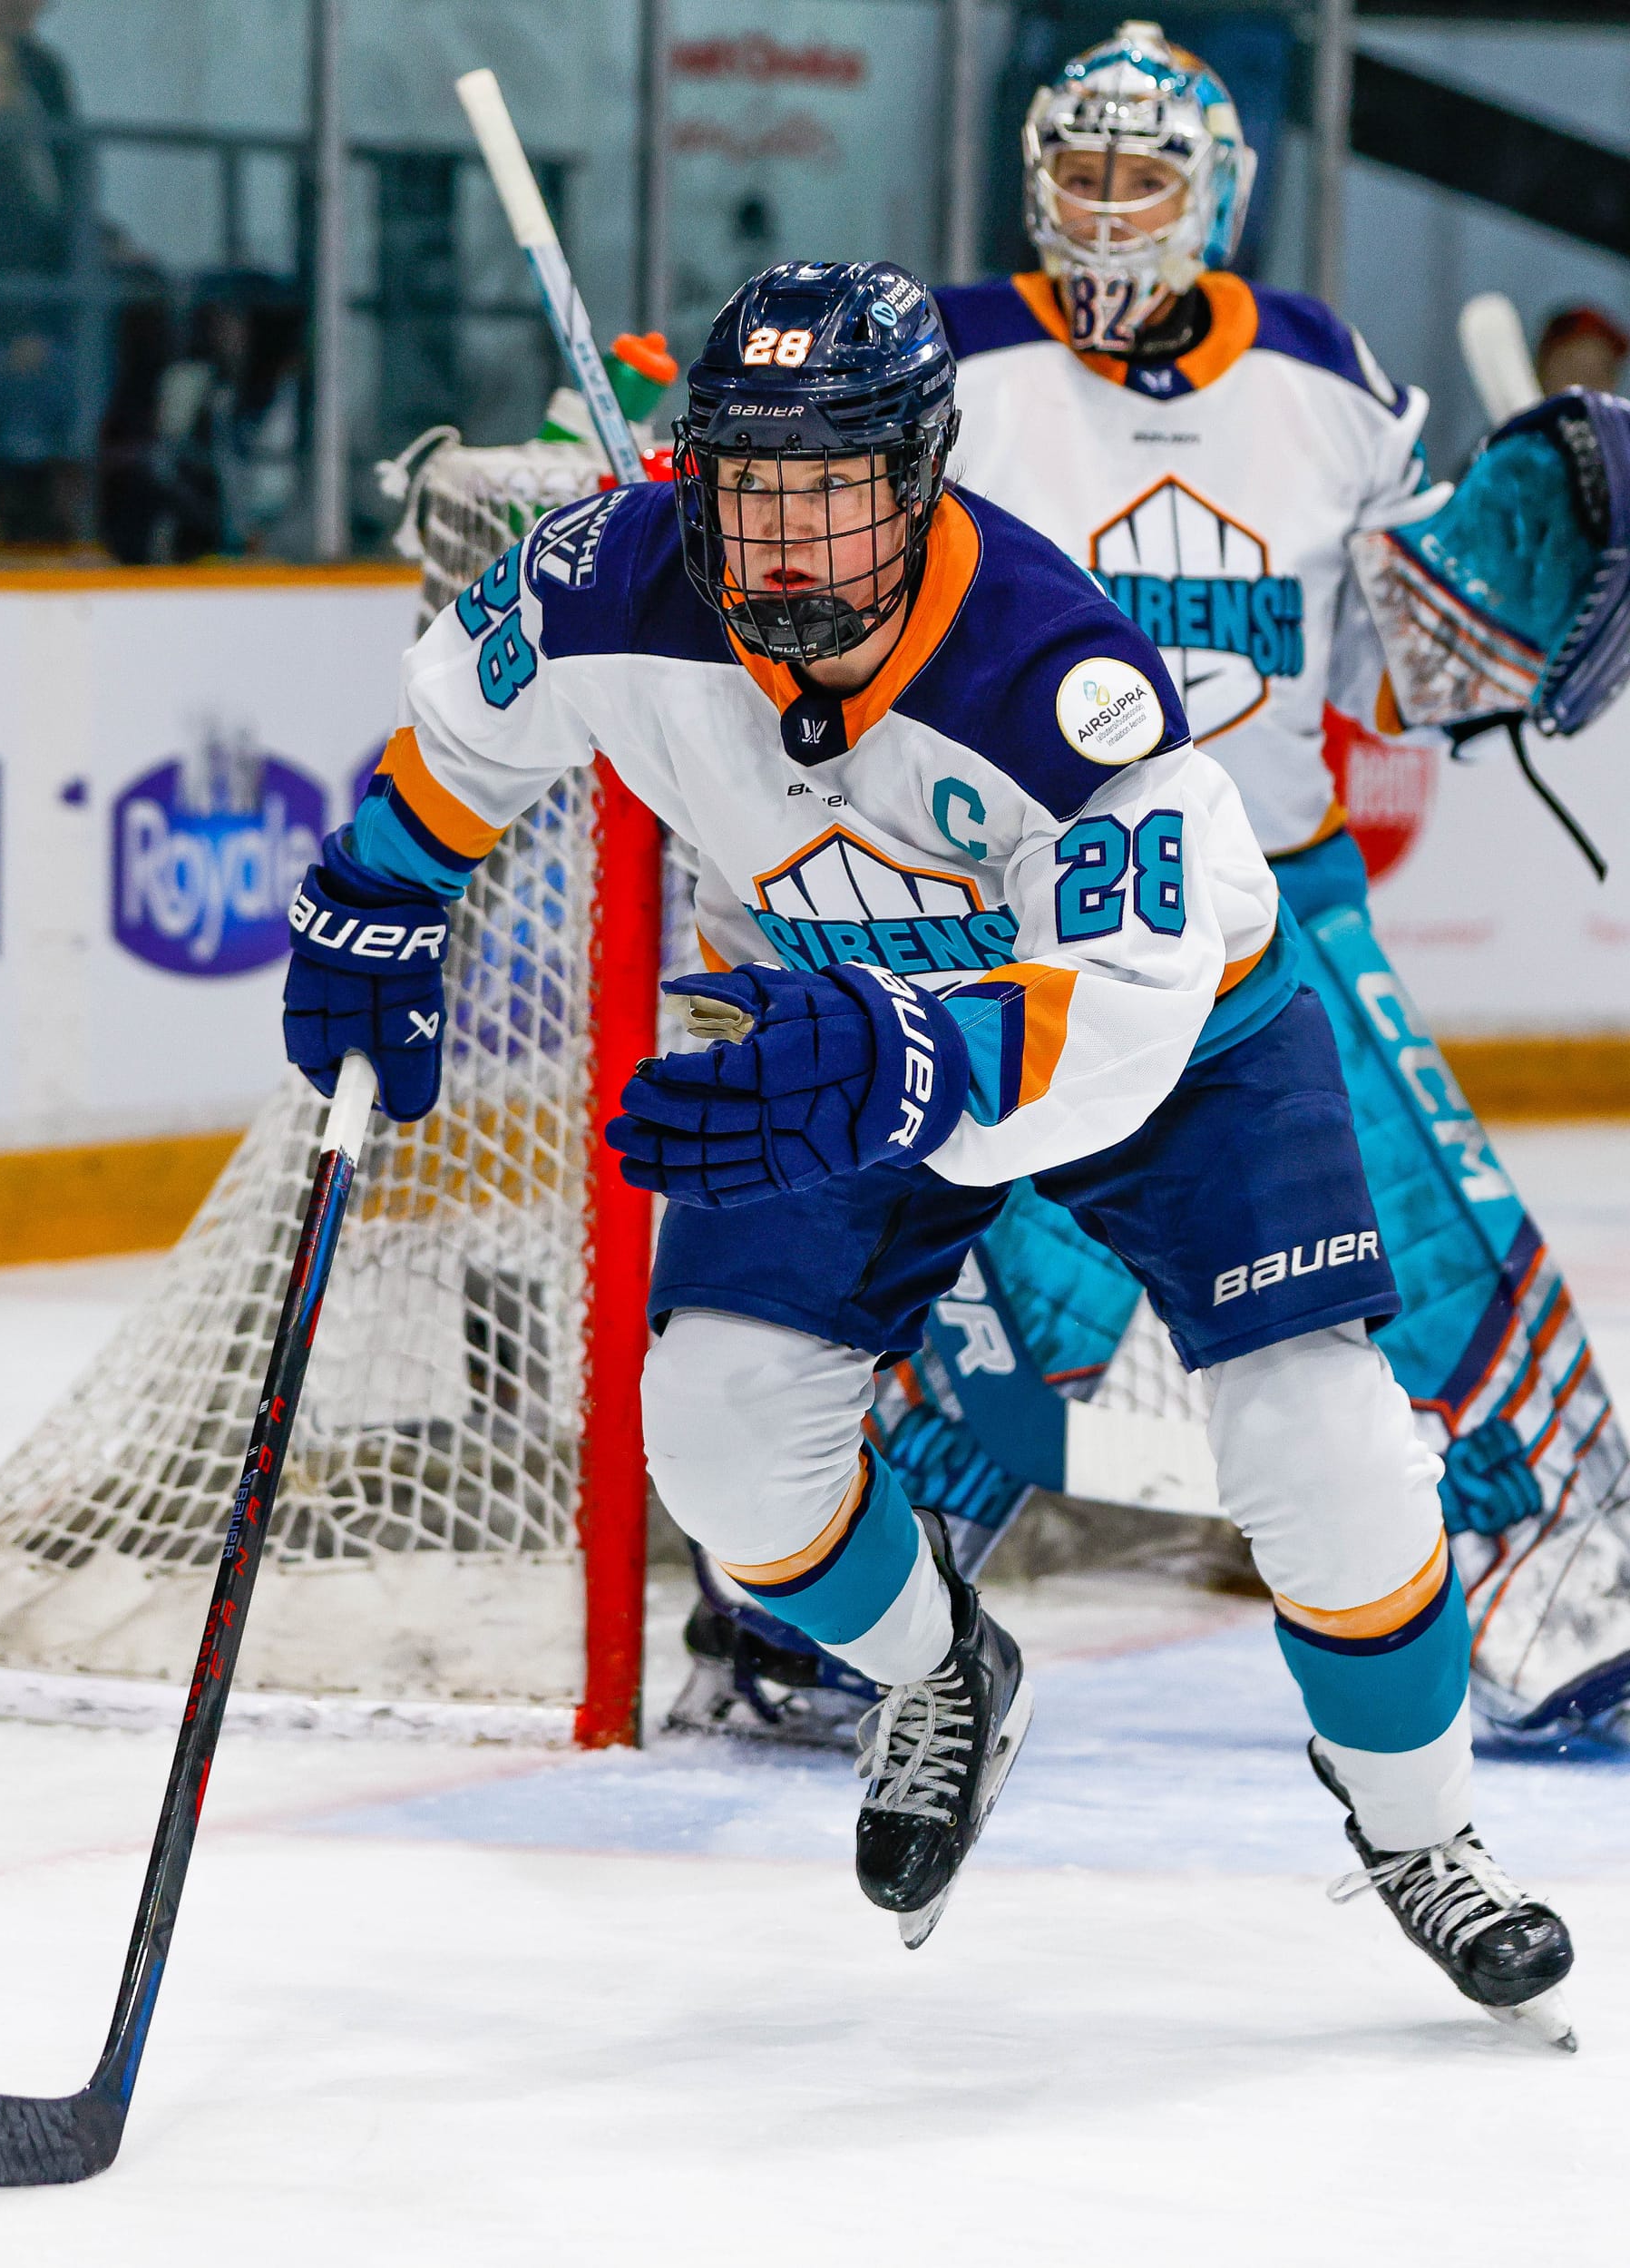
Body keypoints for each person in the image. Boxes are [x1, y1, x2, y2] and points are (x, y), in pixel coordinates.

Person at [283, 259, 1576, 2041]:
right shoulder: (602, 579)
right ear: (692, 481)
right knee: (719, 1432)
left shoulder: (1050, 671)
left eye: (834, 497)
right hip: (827, 1027)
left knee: (1324, 1437)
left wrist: (911, 1051)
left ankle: (1422, 1830)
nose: (789, 546)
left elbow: (1114, 1030)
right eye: (753, 494)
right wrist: (371, 901)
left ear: (919, 478)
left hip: (1173, 1036)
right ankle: (938, 1667)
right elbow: (463, 745)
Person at [678, 21, 1630, 1756]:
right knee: (966, 1251)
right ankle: (825, 1611)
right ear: (1036, 179)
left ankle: (1568, 1586)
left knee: (1434, 1243)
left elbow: (1406, 653)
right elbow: (746, 501)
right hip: (1008, 913)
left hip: (1274, 915)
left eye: (1147, 177)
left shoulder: (1331, 379)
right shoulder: (933, 359)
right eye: (1083, 173)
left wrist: (1514, 595)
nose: (1109, 212)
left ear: (1221, 197)